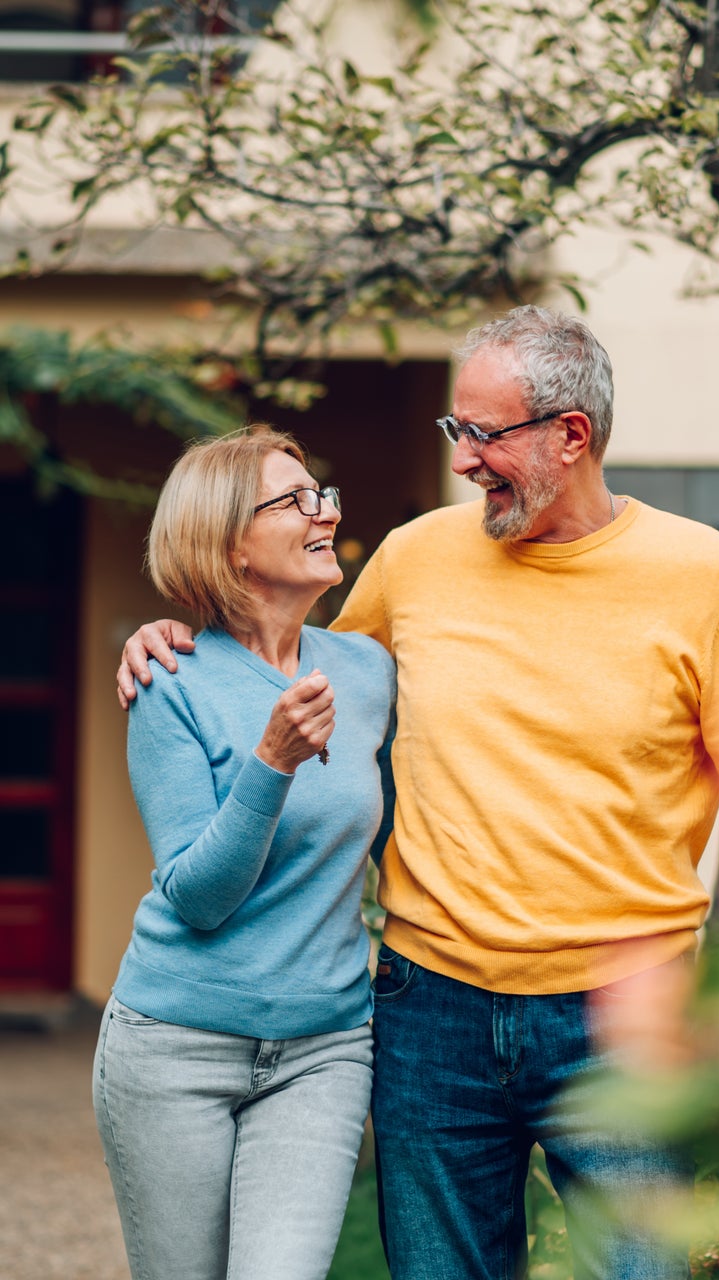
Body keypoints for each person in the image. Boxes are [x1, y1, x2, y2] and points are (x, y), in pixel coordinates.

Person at [117, 306, 719, 1280]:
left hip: (624, 1020)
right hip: (428, 1015)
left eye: (483, 435)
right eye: (457, 431)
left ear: (570, 436)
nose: (462, 461)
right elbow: (280, 658)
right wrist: (169, 636)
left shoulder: (704, 576)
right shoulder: (414, 559)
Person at [98, 425, 396, 1280]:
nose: (325, 514)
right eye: (296, 501)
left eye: (324, 495)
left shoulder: (369, 672)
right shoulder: (169, 683)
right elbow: (198, 895)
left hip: (323, 1049)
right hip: (174, 1045)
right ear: (230, 543)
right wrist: (272, 762)